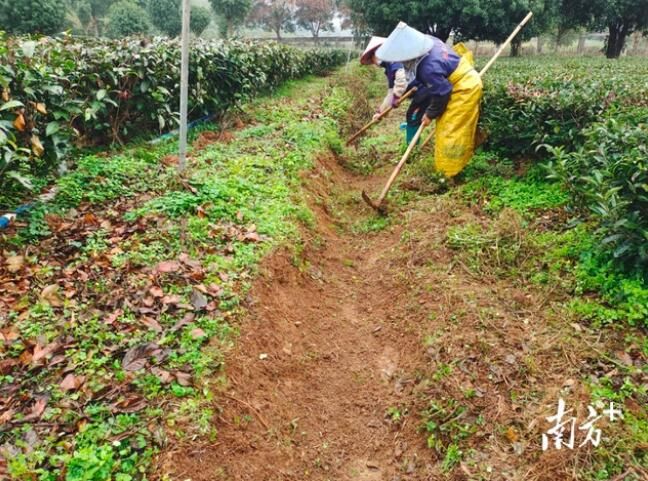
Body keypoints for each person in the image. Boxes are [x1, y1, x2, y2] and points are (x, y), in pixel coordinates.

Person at [376, 22, 483, 178]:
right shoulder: (428, 40)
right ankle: (452, 170)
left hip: (465, 88)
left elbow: (442, 92)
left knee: (450, 130)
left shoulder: (427, 68)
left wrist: (430, 114)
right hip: (457, 82)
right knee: (446, 127)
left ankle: (448, 175)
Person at [360, 36, 409, 121]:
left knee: (413, 117)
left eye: (372, 59)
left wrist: (396, 96)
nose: (374, 63)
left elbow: (401, 79)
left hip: (425, 87)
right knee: (412, 117)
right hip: (419, 92)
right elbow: (390, 93)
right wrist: (380, 113)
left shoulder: (394, 59)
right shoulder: (388, 68)